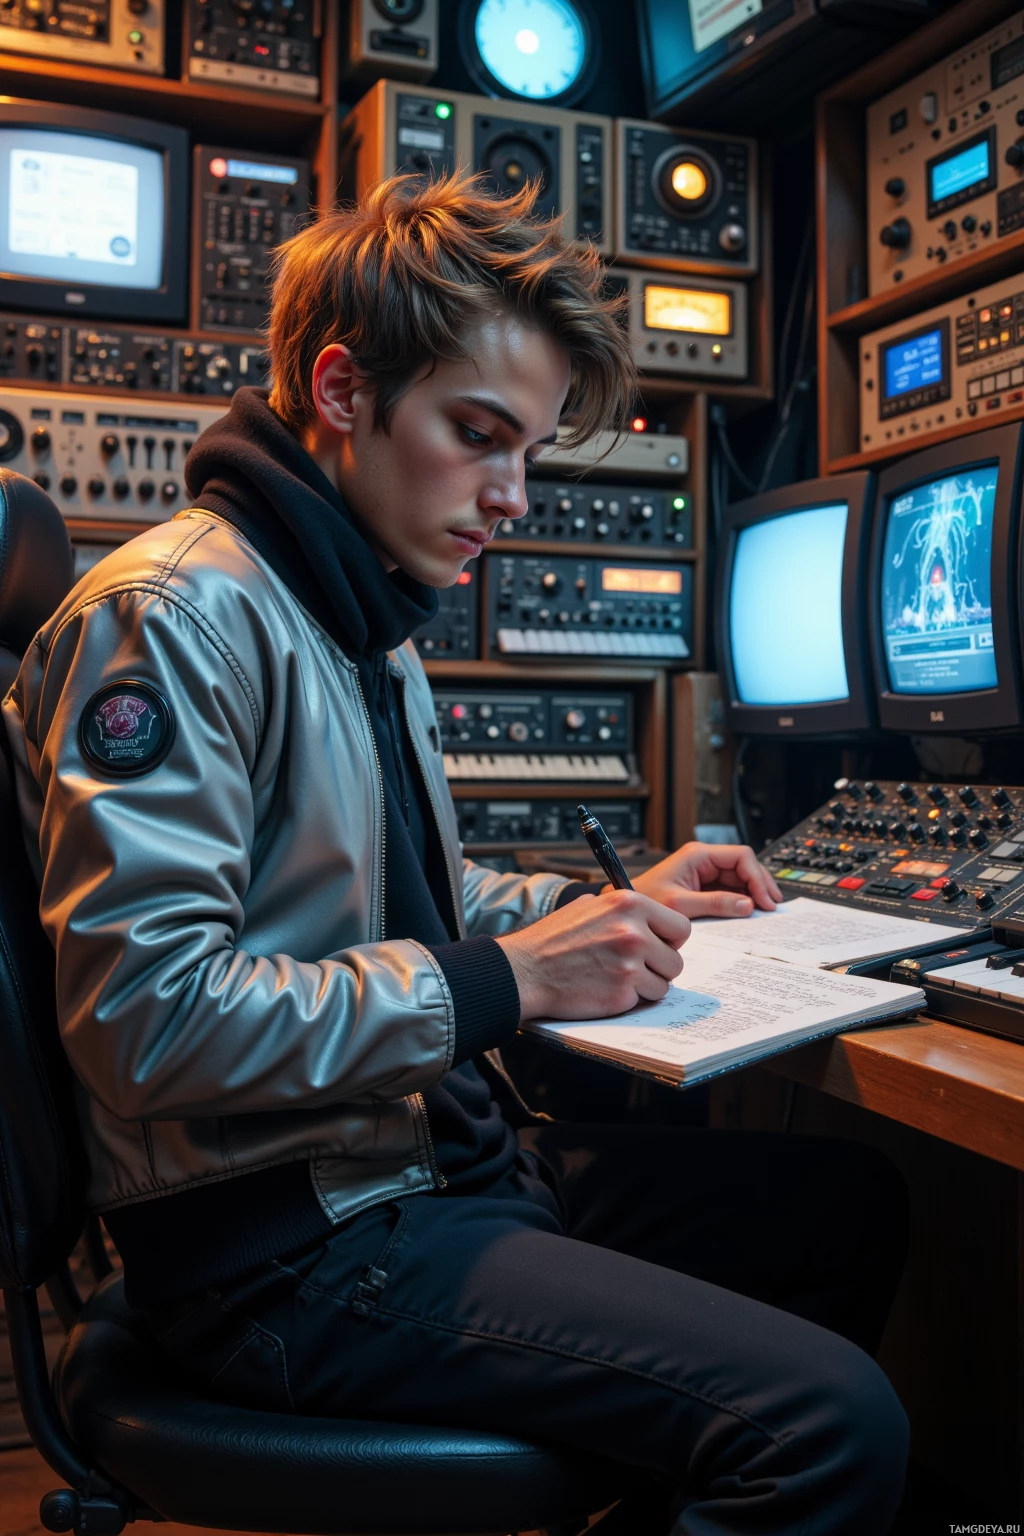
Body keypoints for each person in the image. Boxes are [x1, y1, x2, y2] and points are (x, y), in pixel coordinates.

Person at [3, 172, 910, 1534]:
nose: (510, 495)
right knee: (827, 1422)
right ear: (342, 391)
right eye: (479, 434)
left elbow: (405, 898)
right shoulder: (173, 618)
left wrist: (597, 906)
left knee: (844, 1208)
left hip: (419, 1169)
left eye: (531, 451)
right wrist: (511, 983)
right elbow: (147, 1020)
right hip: (293, 1249)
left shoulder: (353, 602)